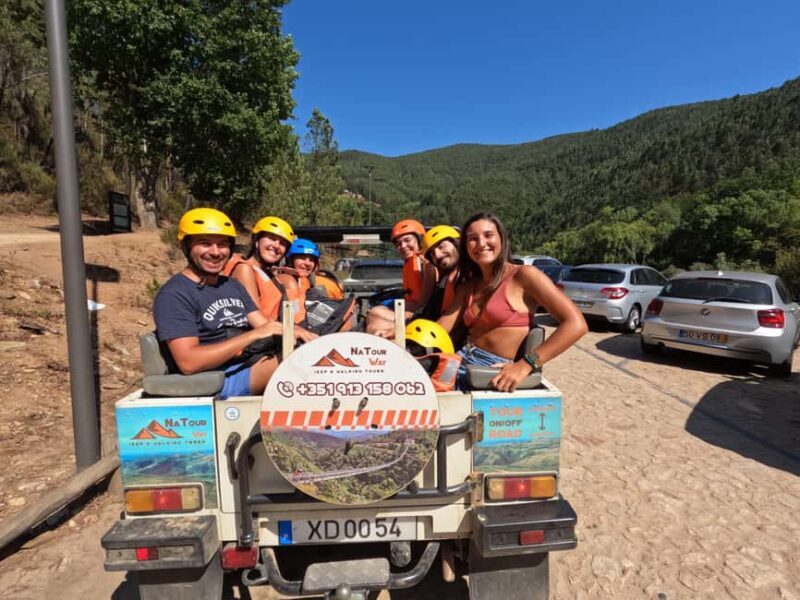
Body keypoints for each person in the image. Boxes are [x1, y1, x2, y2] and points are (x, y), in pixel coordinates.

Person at [438, 212, 587, 392]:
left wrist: (526, 364)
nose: (481, 243)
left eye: (488, 235)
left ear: (502, 238)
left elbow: (576, 324)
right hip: (459, 359)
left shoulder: (524, 275)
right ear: (466, 247)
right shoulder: (468, 286)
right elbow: (439, 329)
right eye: (472, 238)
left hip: (489, 371)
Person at [153, 208, 288, 398]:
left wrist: (301, 333)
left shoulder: (232, 285)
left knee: (310, 356)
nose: (216, 252)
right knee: (297, 367)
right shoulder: (174, 294)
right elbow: (189, 362)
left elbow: (264, 326)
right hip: (217, 378)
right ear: (186, 246)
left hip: (246, 361)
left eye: (223, 244)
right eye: (205, 243)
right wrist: (253, 336)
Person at [223, 216, 316, 343]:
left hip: (276, 333)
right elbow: (256, 320)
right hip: (257, 341)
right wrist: (291, 330)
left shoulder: (269, 273)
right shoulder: (245, 269)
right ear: (257, 241)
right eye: (272, 239)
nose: (277, 246)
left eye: (282, 243)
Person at [366, 219, 437, 337]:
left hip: (422, 315)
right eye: (398, 244)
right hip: (413, 311)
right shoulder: (410, 263)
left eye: (407, 240)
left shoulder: (426, 264)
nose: (403, 246)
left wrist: (400, 311)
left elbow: (424, 303)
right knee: (374, 319)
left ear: (419, 240)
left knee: (375, 313)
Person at [419, 225, 461, 320]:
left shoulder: (464, 276)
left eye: (441, 246)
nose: (437, 255)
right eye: (432, 253)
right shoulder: (445, 278)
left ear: (457, 244)